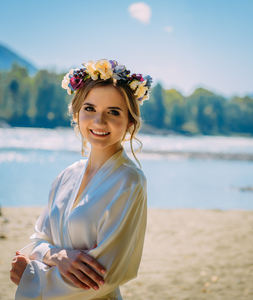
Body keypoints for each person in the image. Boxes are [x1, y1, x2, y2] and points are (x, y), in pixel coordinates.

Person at [10, 59, 152, 300]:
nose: (99, 121)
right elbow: (39, 242)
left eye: (113, 112)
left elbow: (106, 275)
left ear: (129, 123)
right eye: (90, 109)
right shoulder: (66, 176)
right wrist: (56, 256)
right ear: (76, 113)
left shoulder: (129, 181)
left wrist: (33, 277)